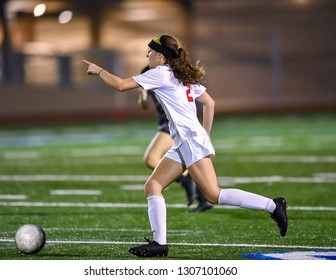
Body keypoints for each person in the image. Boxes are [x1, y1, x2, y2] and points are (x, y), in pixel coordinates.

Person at [83, 34, 288, 258]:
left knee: (213, 195)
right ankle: (159, 243)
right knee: (153, 186)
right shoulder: (178, 74)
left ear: (160, 57)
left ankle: (272, 205)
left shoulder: (160, 73)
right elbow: (210, 103)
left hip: (190, 140)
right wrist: (205, 135)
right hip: (186, 141)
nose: (147, 55)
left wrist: (98, 70)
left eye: (150, 52)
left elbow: (121, 85)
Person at [138, 65, 212, 212]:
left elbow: (203, 101)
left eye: (150, 52)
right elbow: (144, 105)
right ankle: (201, 197)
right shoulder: (147, 72)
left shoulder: (169, 73)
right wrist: (143, 95)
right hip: (168, 124)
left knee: (151, 158)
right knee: (187, 165)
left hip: (172, 124)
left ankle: (187, 182)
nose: (148, 55)